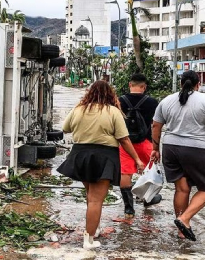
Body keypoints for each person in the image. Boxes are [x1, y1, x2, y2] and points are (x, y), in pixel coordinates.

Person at [59, 80, 145, 249]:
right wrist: (137, 159)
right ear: (110, 94)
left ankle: (94, 228)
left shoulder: (79, 109)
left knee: (91, 196)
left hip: (80, 155)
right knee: (96, 200)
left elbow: (65, 128)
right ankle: (89, 240)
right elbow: (124, 139)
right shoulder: (112, 111)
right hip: (103, 156)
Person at [151, 70, 205, 241]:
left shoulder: (166, 100)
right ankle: (184, 219)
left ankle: (182, 230)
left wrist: (155, 148)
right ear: (198, 84)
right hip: (198, 149)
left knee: (182, 189)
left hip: (170, 148)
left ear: (181, 83)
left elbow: (156, 125)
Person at [118, 74, 162, 218]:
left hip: (125, 143)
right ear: (144, 87)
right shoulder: (152, 102)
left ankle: (129, 209)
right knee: (150, 171)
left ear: (130, 84)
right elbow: (156, 125)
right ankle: (148, 199)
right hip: (146, 142)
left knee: (125, 173)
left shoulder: (119, 101)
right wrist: (156, 147)